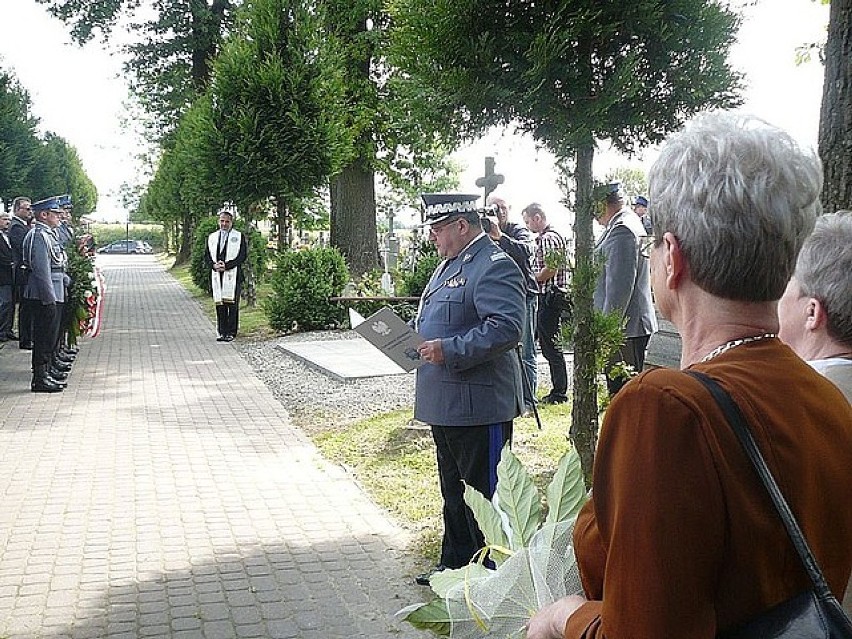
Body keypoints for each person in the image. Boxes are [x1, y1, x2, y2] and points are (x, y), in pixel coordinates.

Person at [526, 113, 852, 639]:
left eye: (653, 241)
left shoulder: (664, 408)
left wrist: (565, 617)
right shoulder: (824, 396)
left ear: (671, 258)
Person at [413, 192, 525, 584]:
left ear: (462, 226)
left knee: (485, 494)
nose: (433, 237)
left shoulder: (493, 264)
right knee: (454, 492)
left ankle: (493, 577)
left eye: (439, 229)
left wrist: (448, 349)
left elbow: (506, 328)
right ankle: (457, 566)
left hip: (479, 404)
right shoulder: (451, 264)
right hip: (446, 400)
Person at [593, 182, 657, 396]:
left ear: (603, 203)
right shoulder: (622, 224)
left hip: (624, 329)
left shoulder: (622, 230)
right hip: (626, 327)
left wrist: (607, 330)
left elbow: (618, 289)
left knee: (623, 394)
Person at [486, 196, 538, 413]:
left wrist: (500, 236)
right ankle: (510, 397)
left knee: (526, 351)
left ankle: (528, 400)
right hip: (500, 297)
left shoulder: (518, 230)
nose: (499, 212)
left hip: (524, 295)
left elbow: (528, 250)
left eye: (503, 208)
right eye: (494, 209)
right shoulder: (484, 231)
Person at [522, 203, 571, 405]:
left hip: (550, 296)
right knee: (548, 343)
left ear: (537, 217)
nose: (528, 226)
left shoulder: (547, 238)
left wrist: (531, 278)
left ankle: (559, 391)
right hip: (551, 295)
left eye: (528, 221)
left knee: (550, 345)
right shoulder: (554, 236)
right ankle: (558, 389)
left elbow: (550, 268)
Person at [23, 197, 71, 393]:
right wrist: (49, 298)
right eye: (55, 213)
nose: (59, 216)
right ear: (44, 215)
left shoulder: (48, 234)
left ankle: (48, 371)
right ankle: (40, 378)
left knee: (50, 335)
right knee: (43, 337)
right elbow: (41, 271)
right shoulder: (39, 236)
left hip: (54, 289)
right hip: (44, 293)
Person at [204, 210, 248, 342]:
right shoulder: (212, 237)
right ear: (219, 222)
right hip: (217, 274)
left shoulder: (238, 236)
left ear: (231, 222)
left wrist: (227, 265)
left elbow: (242, 255)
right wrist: (213, 265)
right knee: (220, 304)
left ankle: (231, 332)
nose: (224, 224)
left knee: (232, 304)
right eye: (222, 221)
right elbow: (206, 255)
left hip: (233, 275)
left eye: (227, 221)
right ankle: (222, 331)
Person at [8, 196, 33, 349]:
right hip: (22, 271)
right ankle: (25, 339)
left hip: (25, 271)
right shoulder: (17, 227)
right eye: (27, 208)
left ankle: (28, 337)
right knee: (26, 307)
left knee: (29, 306)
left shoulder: (23, 225)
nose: (30, 211)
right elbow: (23, 247)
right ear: (17, 209)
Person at [0, 211, 15, 341]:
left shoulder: (8, 236)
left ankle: (7, 329)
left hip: (11, 275)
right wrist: (11, 262)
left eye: (9, 219)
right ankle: (1, 332)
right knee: (5, 303)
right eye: (4, 219)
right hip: (2, 275)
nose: (8, 222)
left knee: (10, 304)